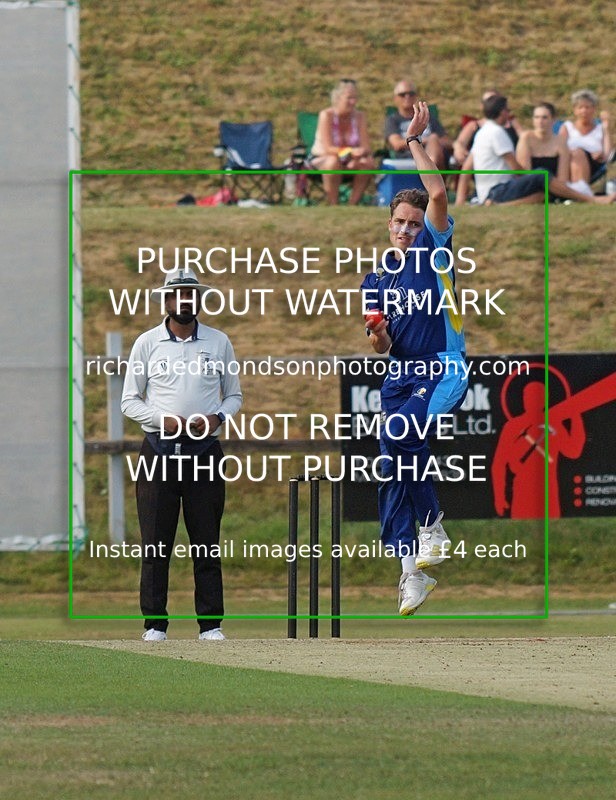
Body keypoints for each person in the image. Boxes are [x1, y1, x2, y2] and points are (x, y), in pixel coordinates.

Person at [361, 101, 468, 616]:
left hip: (441, 367)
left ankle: (434, 527)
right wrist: (376, 332)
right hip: (400, 375)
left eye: (412, 222)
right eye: (398, 222)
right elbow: (380, 346)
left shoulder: (434, 249)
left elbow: (439, 191)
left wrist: (412, 143)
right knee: (391, 466)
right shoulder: (376, 277)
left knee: (403, 438)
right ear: (388, 225)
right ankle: (411, 575)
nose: (405, 230)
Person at [121, 267, 243, 641]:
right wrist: (163, 419)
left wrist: (218, 418)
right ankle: (155, 623)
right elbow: (129, 400)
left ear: (198, 299)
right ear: (167, 300)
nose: (184, 300)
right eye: (177, 294)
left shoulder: (218, 342)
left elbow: (234, 395)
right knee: (156, 542)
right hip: (159, 450)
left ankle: (210, 624)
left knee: (206, 539)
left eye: (191, 293)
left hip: (204, 450)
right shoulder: (147, 343)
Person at [469, 94, 615, 205]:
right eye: (537, 117)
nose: (540, 121)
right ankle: (592, 199)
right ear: (501, 112)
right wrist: (538, 178)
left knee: (544, 194)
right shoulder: (497, 132)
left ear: (553, 119)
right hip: (497, 189)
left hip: (496, 190)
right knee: (542, 174)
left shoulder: (487, 131)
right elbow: (517, 170)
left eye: (544, 117)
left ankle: (497, 206)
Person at [310, 78, 376, 205]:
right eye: (349, 98)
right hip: (324, 159)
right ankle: (333, 204)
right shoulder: (326, 115)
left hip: (350, 160)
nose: (353, 102)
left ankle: (352, 204)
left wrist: (358, 154)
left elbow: (366, 147)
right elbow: (328, 148)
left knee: (367, 163)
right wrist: (351, 152)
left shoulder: (359, 117)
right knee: (333, 162)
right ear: (337, 98)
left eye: (355, 98)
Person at [384, 80, 451, 169]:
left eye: (411, 94)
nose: (407, 97)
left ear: (415, 96)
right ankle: (431, 173)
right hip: (408, 156)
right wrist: (426, 140)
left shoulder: (427, 117)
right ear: (395, 98)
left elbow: (447, 141)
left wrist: (433, 141)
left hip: (435, 155)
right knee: (433, 139)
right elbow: (397, 144)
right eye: (402, 94)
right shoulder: (392, 120)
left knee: (434, 140)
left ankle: (430, 171)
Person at [453, 89, 523, 166]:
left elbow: (523, 137)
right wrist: (459, 149)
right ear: (482, 105)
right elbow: (460, 142)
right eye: (488, 101)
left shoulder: (512, 122)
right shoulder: (474, 125)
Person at [558, 89, 612, 186]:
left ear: (594, 109)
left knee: (579, 154)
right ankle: (580, 192)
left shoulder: (601, 128)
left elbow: (607, 155)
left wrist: (607, 128)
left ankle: (577, 192)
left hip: (594, 164)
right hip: (568, 163)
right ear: (575, 110)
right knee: (578, 153)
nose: (584, 111)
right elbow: (559, 149)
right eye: (580, 107)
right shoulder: (567, 127)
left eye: (587, 107)